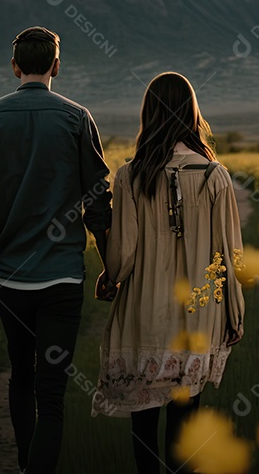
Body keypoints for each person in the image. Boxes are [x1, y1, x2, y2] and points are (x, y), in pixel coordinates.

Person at [0, 26, 112, 474]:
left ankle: (24, 465)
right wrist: (109, 264)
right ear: (57, 66)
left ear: (14, 66)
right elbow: (98, 202)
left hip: (8, 278)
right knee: (51, 392)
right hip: (62, 279)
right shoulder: (78, 118)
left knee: (21, 377)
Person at [91, 72, 245, 474]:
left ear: (149, 113)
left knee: (143, 423)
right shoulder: (216, 177)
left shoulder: (130, 175)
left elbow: (123, 257)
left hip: (146, 312)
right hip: (199, 315)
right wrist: (234, 312)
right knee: (185, 422)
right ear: (192, 113)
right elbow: (231, 257)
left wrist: (107, 273)